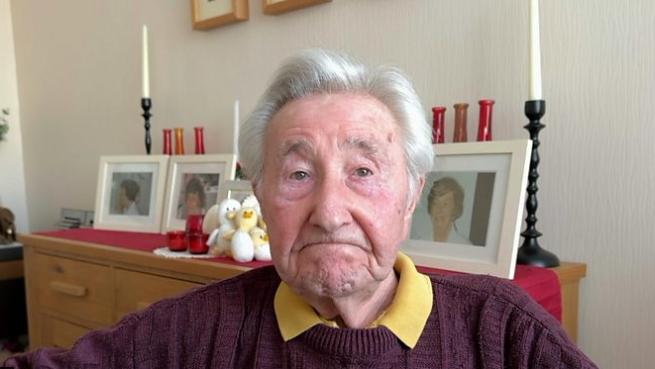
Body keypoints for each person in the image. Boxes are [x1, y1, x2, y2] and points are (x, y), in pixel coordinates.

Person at [4, 49, 597, 368]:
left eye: (363, 171)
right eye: (298, 174)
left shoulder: (503, 333)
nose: (329, 210)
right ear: (258, 196)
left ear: (413, 192)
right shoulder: (194, 331)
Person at [427, 177, 472, 245]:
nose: (439, 209)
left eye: (445, 204)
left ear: (455, 209)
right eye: (435, 203)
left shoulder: (466, 247)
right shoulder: (417, 244)